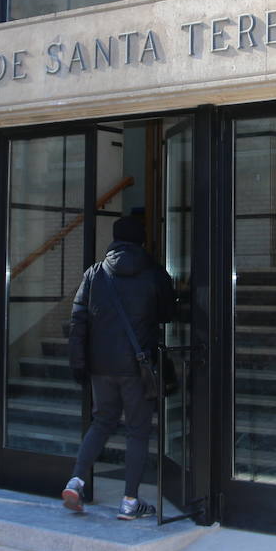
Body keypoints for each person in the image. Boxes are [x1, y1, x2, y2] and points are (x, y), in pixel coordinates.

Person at [62, 215, 175, 520]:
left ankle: (76, 480)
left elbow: (78, 321)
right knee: (137, 432)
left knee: (101, 423)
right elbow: (169, 311)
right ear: (141, 240)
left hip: (101, 366)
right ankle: (129, 501)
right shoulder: (153, 273)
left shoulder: (95, 273)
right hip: (137, 367)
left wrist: (78, 362)